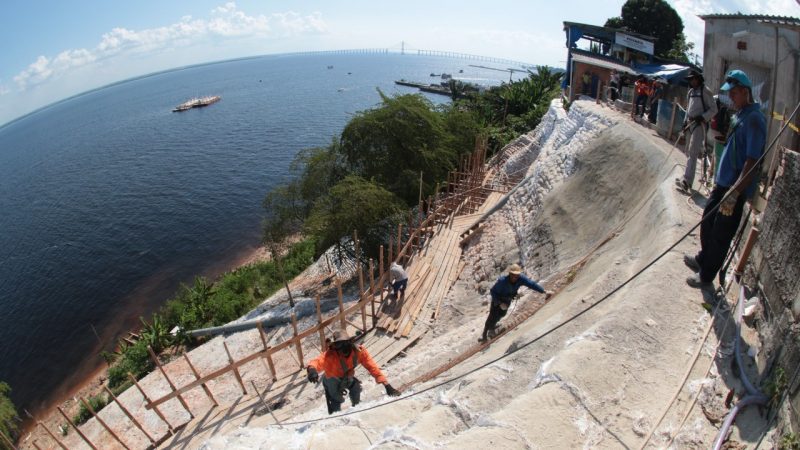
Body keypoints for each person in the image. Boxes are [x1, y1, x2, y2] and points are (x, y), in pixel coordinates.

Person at [684, 70, 766, 292]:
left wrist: (736, 191)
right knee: (708, 223)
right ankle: (703, 259)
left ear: (745, 92)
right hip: (722, 184)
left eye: (735, 94)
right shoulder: (740, 115)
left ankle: (707, 275)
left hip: (733, 190)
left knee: (721, 234)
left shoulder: (755, 119)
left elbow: (752, 160)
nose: (731, 98)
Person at [307, 329, 401, 414]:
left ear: (350, 342)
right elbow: (318, 361)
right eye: (339, 344)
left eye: (344, 343)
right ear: (335, 346)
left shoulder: (359, 352)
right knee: (337, 399)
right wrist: (312, 369)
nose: (342, 347)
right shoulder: (331, 355)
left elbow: (372, 367)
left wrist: (386, 385)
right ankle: (335, 418)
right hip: (332, 379)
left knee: (356, 389)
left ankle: (356, 409)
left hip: (347, 376)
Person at [480, 264, 553, 342]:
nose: (515, 277)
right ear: (510, 274)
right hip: (498, 299)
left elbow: (532, 284)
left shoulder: (521, 279)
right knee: (492, 315)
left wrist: (544, 291)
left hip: (507, 299)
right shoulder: (502, 281)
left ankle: (493, 326)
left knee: (502, 314)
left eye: (517, 275)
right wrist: (499, 303)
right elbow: (493, 291)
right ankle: (484, 335)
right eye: (513, 275)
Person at [676, 70, 717, 193]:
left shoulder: (705, 91)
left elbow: (714, 109)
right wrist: (684, 122)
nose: (692, 81)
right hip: (690, 123)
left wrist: (703, 117)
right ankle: (686, 177)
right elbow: (688, 108)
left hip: (700, 125)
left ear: (698, 79)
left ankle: (687, 181)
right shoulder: (690, 92)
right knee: (688, 151)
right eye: (690, 79)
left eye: (693, 79)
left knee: (693, 151)